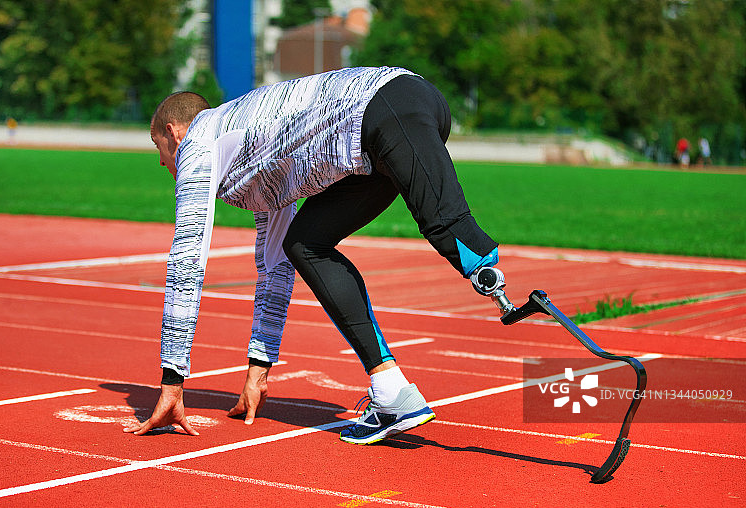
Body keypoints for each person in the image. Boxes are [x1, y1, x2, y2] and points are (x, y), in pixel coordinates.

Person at [124, 66, 501, 443]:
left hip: (386, 105)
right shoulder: (252, 156)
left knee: (450, 230)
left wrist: (172, 383)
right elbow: (274, 266)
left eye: (159, 148)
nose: (162, 163)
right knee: (304, 243)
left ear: (173, 134)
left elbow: (187, 261)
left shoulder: (198, 143)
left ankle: (503, 288)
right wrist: (259, 369)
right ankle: (391, 391)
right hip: (389, 124)